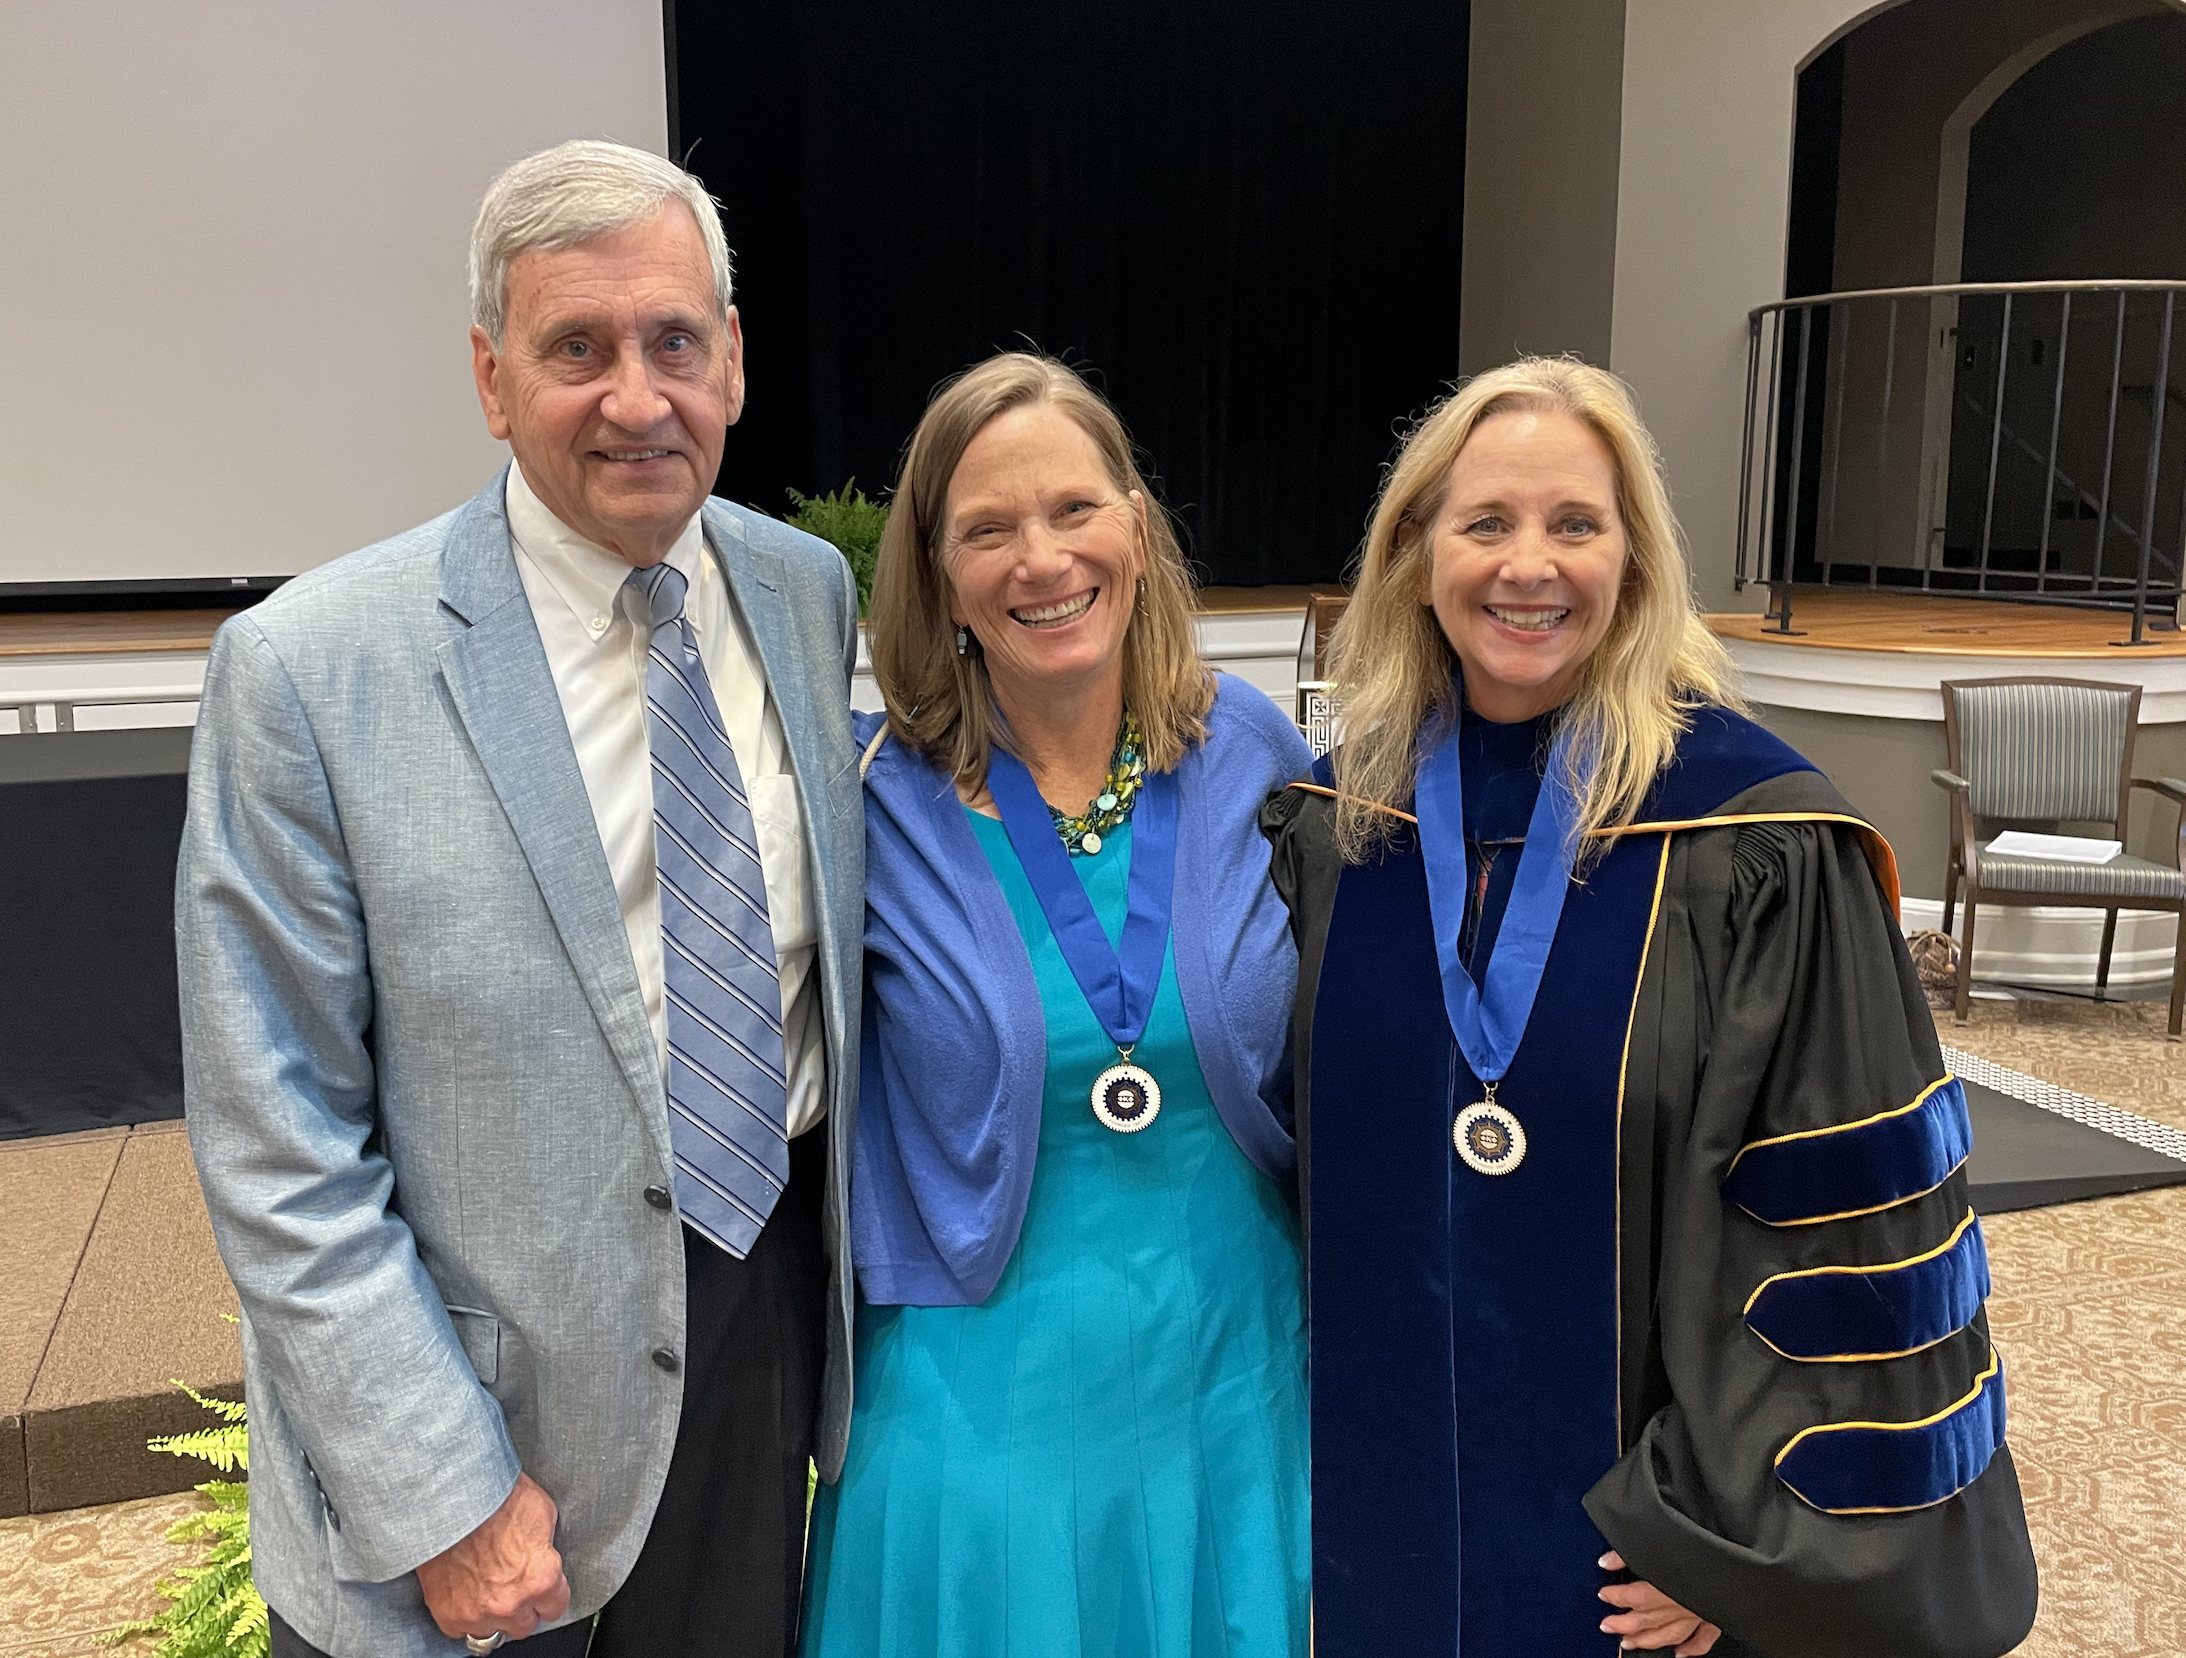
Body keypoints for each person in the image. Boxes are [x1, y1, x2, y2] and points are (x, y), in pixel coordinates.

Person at [177, 141, 864, 1658]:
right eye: (575, 348)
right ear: (492, 380)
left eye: (673, 340)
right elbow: (273, 1132)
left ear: (732, 362)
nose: (636, 395)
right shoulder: (310, 669)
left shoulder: (804, 594)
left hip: (758, 1362)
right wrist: (439, 1489)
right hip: (478, 1432)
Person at [1263, 358, 2039, 1656]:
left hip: (1638, 1552)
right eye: (1484, 523)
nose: (1530, 565)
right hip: (1367, 1515)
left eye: (1575, 523)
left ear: (1632, 560)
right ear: (1412, 554)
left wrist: (1728, 1541)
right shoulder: (1340, 827)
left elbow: (1845, 1244)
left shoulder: (1755, 843)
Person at [799, 353, 1313, 1656]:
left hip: (1236, 1390)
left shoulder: (1251, 746)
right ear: (941, 576)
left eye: (1074, 508)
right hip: (975, 1422)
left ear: (1136, 528)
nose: (1041, 557)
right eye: (988, 528)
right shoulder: (867, 801)